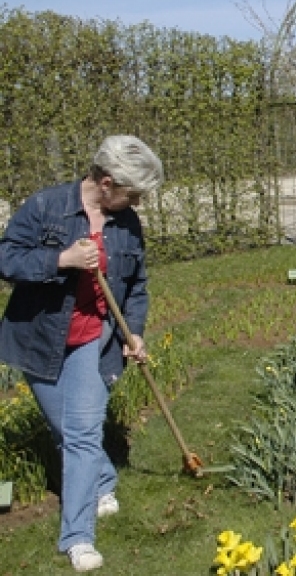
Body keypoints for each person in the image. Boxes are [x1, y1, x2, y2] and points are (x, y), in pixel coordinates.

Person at [0, 135, 164, 572]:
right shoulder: (46, 207)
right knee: (65, 429)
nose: (137, 203)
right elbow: (6, 258)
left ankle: (77, 537)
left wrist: (136, 333)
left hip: (96, 340)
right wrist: (62, 259)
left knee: (82, 433)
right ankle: (103, 480)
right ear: (107, 183)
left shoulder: (127, 224)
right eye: (133, 193)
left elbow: (138, 285)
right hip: (41, 338)